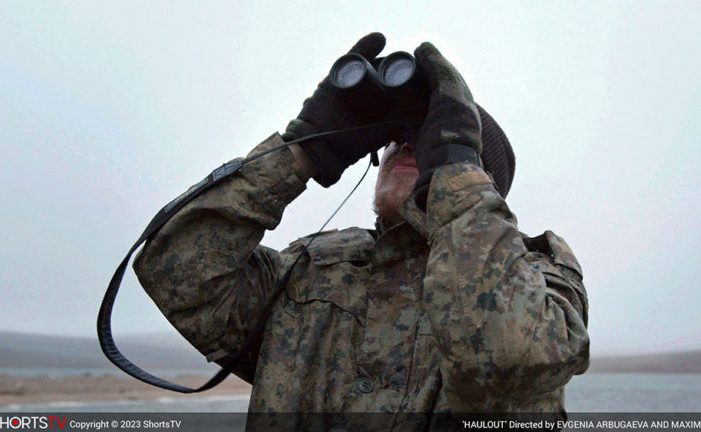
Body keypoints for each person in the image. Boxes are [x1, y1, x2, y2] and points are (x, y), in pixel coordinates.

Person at [133, 33, 589, 429]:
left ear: (477, 175)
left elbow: (510, 362)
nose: (406, 145)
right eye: (399, 138)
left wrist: (454, 173)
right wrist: (301, 150)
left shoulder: (539, 281)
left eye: (429, 140)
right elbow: (176, 272)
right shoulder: (309, 270)